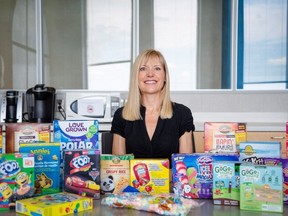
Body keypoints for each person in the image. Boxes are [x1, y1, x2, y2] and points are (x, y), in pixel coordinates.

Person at [111, 49, 195, 163]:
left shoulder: (182, 114)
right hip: (132, 181)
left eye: (157, 68)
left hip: (171, 181)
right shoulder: (121, 115)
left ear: (165, 76)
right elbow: (119, 168)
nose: (150, 74)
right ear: (136, 77)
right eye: (143, 68)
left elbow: (184, 169)